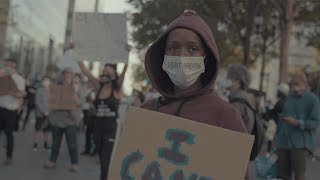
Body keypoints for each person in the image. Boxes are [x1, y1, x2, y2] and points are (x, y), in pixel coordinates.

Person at [141, 10, 250, 179]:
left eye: (192, 49)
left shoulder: (225, 116)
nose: (182, 56)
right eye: (173, 47)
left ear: (206, 58)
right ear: (163, 55)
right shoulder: (147, 111)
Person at [79, 60, 128, 180]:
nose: (104, 74)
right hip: (98, 126)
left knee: (106, 160)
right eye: (103, 72)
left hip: (110, 127)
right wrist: (76, 53)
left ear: (113, 75)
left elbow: (123, 72)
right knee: (101, 158)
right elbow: (86, 72)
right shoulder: (98, 86)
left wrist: (126, 59)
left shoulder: (116, 90)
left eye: (108, 72)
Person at [276, 72, 320, 180]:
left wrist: (297, 122)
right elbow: (286, 115)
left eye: (296, 83)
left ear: (304, 84)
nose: (293, 86)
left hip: (300, 144)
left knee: (299, 176)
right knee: (283, 175)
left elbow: (315, 122)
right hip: (284, 142)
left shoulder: (312, 99)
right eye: (291, 84)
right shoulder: (289, 98)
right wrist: (283, 118)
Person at [44, 68, 81, 172]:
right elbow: (50, 100)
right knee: (55, 143)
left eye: (69, 75)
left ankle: (75, 163)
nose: (66, 77)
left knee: (72, 144)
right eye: (65, 75)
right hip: (57, 119)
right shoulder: (56, 87)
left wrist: (72, 96)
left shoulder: (76, 88)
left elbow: (80, 102)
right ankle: (52, 161)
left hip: (70, 120)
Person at [0, 57, 25, 165]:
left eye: (11, 65)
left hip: (11, 109)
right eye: (7, 64)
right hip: (0, 107)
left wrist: (10, 91)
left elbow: (21, 94)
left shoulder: (19, 79)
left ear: (15, 66)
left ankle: (9, 156)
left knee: (9, 132)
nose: (8, 66)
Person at [224, 64, 255, 133]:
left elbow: (228, 124)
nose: (225, 79)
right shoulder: (243, 96)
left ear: (237, 80)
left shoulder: (238, 98)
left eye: (228, 77)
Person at [33, 76, 51, 151]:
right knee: (38, 129)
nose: (46, 82)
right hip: (40, 113)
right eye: (45, 80)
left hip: (49, 114)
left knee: (47, 130)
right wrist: (44, 111)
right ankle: (35, 144)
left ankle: (46, 144)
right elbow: (37, 102)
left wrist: (49, 112)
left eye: (47, 81)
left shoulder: (52, 91)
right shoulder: (39, 90)